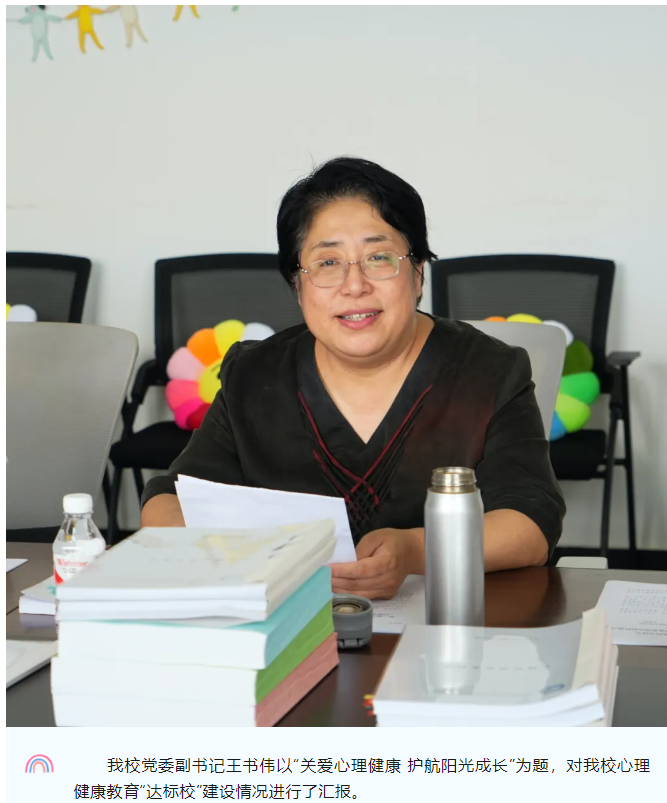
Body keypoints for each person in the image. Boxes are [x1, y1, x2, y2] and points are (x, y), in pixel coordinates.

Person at [141, 157, 565, 599]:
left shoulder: (488, 370)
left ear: (418, 273)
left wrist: (416, 551)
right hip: (292, 622)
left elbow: (531, 523)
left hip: (447, 621)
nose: (355, 285)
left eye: (379, 258)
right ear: (297, 286)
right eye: (327, 262)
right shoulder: (254, 374)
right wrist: (269, 557)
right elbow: (167, 504)